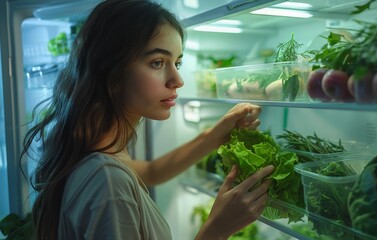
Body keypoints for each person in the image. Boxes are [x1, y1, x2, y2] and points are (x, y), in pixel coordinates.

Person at [22, 0, 274, 239]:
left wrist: (215, 135)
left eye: (177, 62)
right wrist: (217, 230)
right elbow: (124, 181)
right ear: (111, 68)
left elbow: (152, 172)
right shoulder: (107, 179)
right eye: (157, 62)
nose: (177, 80)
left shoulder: (98, 154)